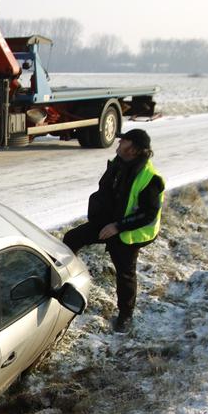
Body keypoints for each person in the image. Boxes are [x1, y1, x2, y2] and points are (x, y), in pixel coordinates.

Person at [62, 128, 165, 333]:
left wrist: (117, 227)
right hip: (109, 222)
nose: (118, 144)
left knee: (125, 274)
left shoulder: (151, 179)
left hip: (129, 232)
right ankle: (64, 283)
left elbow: (148, 215)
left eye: (123, 142)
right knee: (71, 238)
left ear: (134, 150)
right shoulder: (118, 165)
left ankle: (125, 317)